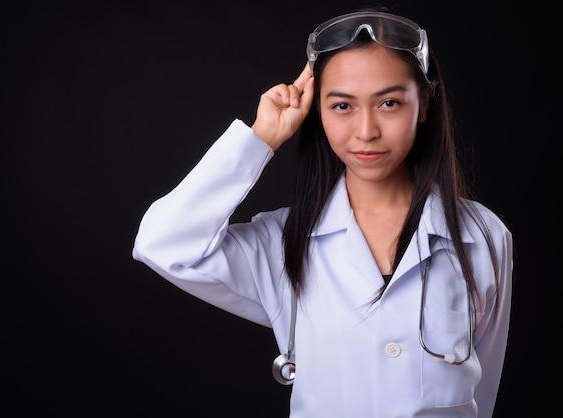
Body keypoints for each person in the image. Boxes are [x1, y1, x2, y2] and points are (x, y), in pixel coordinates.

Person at [132, 5, 513, 417]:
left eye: (389, 103)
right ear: (318, 110)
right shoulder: (284, 243)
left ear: (424, 104)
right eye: (342, 106)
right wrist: (261, 138)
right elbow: (164, 244)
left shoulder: (483, 236)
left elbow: (482, 389)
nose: (365, 131)